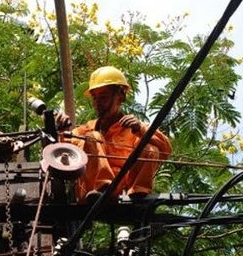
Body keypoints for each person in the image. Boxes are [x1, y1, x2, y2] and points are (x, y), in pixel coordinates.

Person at [56, 66, 172, 203]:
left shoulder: (134, 130)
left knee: (149, 148)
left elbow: (166, 150)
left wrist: (140, 129)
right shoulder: (86, 130)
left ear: (120, 97)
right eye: (95, 98)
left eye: (103, 97)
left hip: (122, 194)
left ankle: (138, 193)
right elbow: (62, 153)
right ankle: (102, 188)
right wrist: (62, 130)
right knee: (93, 137)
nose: (98, 103)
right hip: (91, 194)